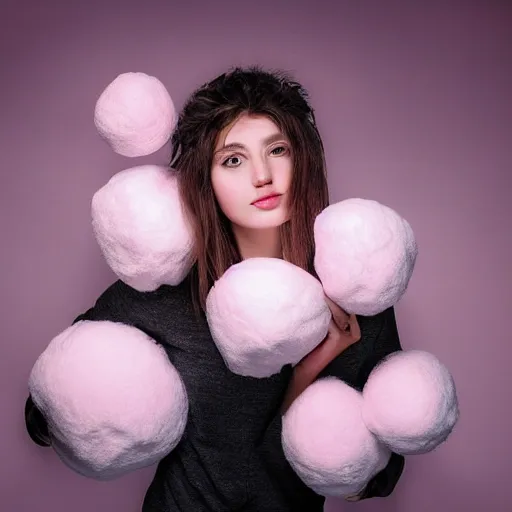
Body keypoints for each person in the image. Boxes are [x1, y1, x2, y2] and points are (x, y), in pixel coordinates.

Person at [25, 66, 405, 511]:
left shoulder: (358, 294)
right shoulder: (168, 292)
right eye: (233, 159)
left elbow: (383, 467)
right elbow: (43, 408)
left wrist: (317, 379)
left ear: (304, 159)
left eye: (277, 150)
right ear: (206, 181)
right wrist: (86, 421)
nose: (262, 175)